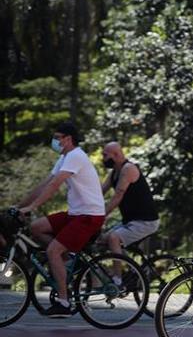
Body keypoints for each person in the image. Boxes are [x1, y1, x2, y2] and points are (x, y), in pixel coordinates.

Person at [17, 123, 105, 317]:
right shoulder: (64, 157)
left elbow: (55, 185)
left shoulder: (75, 156)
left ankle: (64, 303)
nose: (55, 141)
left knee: (52, 251)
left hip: (89, 216)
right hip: (76, 214)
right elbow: (45, 184)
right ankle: (66, 259)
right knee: (36, 227)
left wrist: (31, 207)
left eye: (58, 137)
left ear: (68, 139)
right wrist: (19, 206)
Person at [100, 142, 160, 256]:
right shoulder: (114, 173)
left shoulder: (128, 169)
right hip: (131, 221)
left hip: (146, 221)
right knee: (102, 240)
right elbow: (99, 192)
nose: (103, 159)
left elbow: (117, 196)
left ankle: (117, 274)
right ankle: (131, 268)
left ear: (116, 154)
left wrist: (102, 216)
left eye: (105, 155)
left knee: (114, 238)